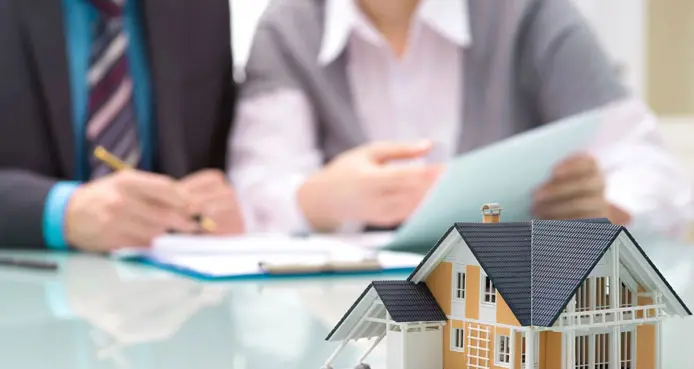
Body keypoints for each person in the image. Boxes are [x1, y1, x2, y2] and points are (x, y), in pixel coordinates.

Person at [229, 0, 692, 237]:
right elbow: (254, 189)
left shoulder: (530, 13)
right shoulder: (286, 29)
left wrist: (605, 209)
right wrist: (318, 200)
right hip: (345, 322)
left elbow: (649, 166)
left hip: (518, 315)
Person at [0, 0, 244, 252]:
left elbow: (217, 162)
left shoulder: (203, 9)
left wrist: (217, 205)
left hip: (161, 280)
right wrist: (63, 211)